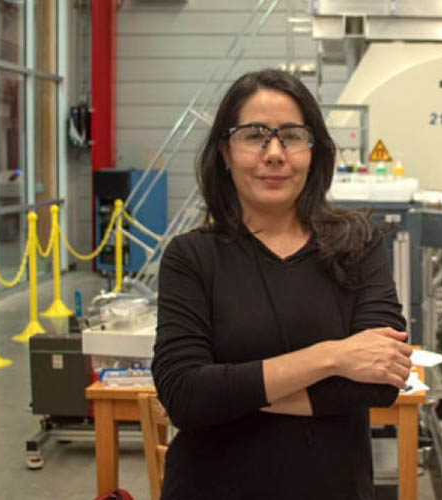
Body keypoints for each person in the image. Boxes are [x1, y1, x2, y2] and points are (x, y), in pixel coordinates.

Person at [151, 69, 414, 499]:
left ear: (313, 150)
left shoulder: (357, 242)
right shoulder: (192, 257)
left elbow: (381, 380)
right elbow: (184, 394)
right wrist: (332, 356)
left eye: (291, 135)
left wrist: (228, 395)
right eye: (255, 136)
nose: (274, 153)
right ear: (224, 151)